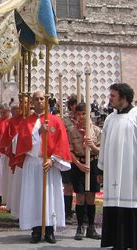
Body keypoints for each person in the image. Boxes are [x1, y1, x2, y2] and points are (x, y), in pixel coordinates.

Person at [98, 83, 137, 249]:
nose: (109, 99)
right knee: (116, 206)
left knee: (136, 204)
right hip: (113, 175)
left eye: (113, 96)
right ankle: (119, 243)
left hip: (134, 173)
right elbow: (104, 145)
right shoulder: (110, 118)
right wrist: (100, 169)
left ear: (123, 98)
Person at [13, 90, 72, 244]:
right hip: (33, 163)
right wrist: (39, 132)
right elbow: (21, 143)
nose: (39, 101)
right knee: (34, 197)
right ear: (32, 102)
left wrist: (53, 160)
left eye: (42, 99)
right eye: (36, 99)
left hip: (48, 165)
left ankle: (50, 229)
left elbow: (62, 143)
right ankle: (36, 229)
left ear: (46, 102)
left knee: (50, 196)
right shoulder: (27, 122)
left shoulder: (55, 120)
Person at [67, 103, 101, 240]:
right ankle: (80, 226)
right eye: (78, 115)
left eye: (83, 114)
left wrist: (92, 145)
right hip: (78, 163)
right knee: (80, 196)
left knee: (91, 196)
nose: (81, 117)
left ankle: (91, 227)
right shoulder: (72, 131)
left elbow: (101, 151)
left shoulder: (97, 131)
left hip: (92, 162)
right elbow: (69, 152)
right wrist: (78, 165)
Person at [61, 95, 78, 224]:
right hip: (68, 155)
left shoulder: (85, 119)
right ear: (71, 106)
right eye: (75, 104)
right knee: (68, 185)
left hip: (81, 155)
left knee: (81, 186)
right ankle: (67, 211)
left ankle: (81, 212)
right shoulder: (65, 120)